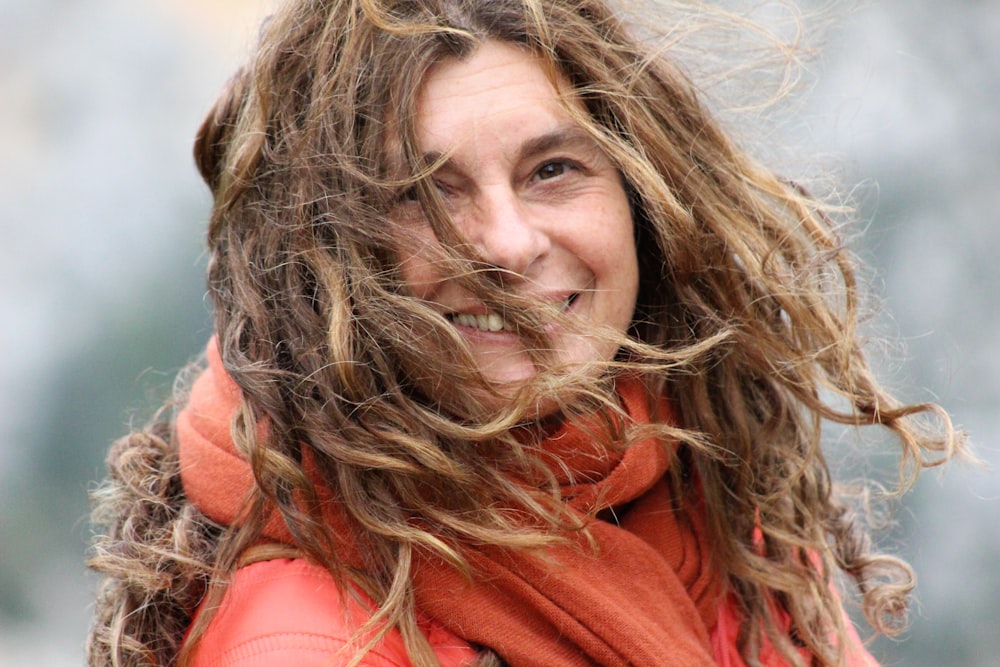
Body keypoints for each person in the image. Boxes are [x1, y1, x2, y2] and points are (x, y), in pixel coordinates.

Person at [86, 0, 962, 665]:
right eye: (424, 195)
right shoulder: (309, 641)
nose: (506, 243)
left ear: (643, 202)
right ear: (322, 263)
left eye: (552, 170)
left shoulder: (709, 485)